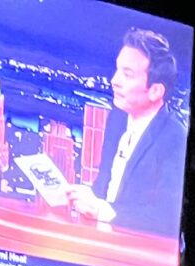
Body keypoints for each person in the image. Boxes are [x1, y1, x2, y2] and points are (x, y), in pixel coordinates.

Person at [58, 29, 187, 232]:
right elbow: (105, 186)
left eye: (127, 74)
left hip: (138, 250)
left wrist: (104, 212)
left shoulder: (174, 137)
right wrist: (85, 197)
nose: (114, 81)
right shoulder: (118, 117)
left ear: (155, 91)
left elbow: (167, 218)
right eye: (117, 70)